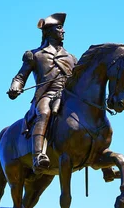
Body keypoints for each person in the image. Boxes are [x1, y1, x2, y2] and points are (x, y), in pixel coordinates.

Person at [7, 13, 77, 172]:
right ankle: (38, 155)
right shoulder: (35, 55)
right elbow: (20, 76)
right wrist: (15, 86)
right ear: (49, 31)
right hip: (47, 95)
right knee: (44, 112)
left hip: (67, 97)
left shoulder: (71, 58)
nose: (63, 31)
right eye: (59, 28)